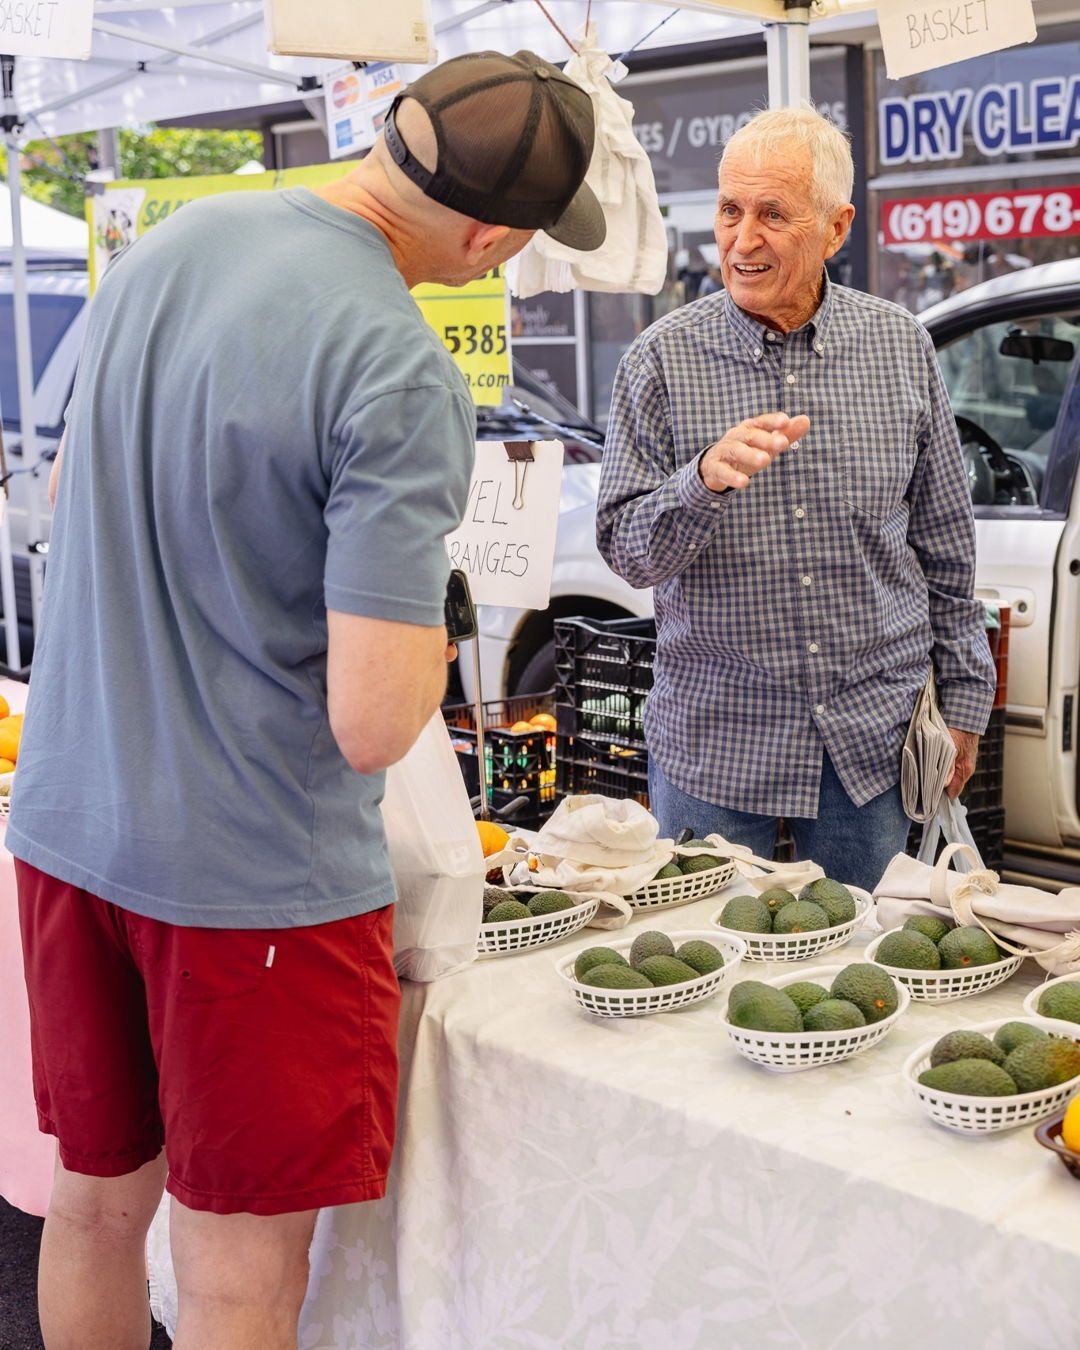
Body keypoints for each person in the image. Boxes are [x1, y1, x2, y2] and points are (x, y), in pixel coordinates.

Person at [9, 49, 603, 1350]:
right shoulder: (397, 369)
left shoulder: (178, 239)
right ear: (493, 234)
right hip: (245, 885)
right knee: (232, 1277)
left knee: (97, 1206)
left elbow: (67, 504)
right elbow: (374, 723)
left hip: (69, 824)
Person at [596, 107, 994, 892]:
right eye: (729, 210)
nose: (742, 241)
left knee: (873, 970)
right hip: (715, 742)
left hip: (869, 745)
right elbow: (623, 547)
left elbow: (946, 544)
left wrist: (967, 700)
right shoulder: (661, 361)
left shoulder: (900, 346)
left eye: (773, 215)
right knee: (703, 964)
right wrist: (700, 480)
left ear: (837, 227)